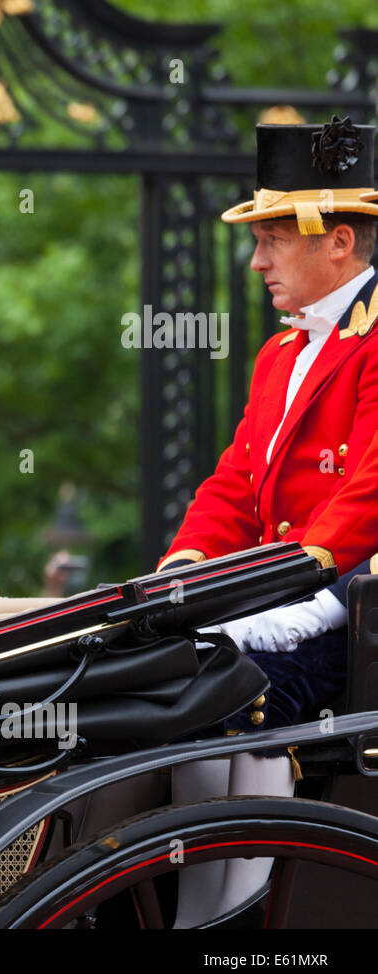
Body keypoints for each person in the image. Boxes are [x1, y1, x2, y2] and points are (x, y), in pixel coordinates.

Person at [157, 116, 378, 924]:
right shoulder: (280, 354)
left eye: (274, 239)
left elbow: (369, 492)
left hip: (346, 603)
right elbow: (235, 481)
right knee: (172, 675)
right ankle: (202, 913)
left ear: (339, 243)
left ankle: (239, 924)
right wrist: (183, 568)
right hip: (283, 591)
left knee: (225, 687)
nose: (256, 262)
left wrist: (277, 581)